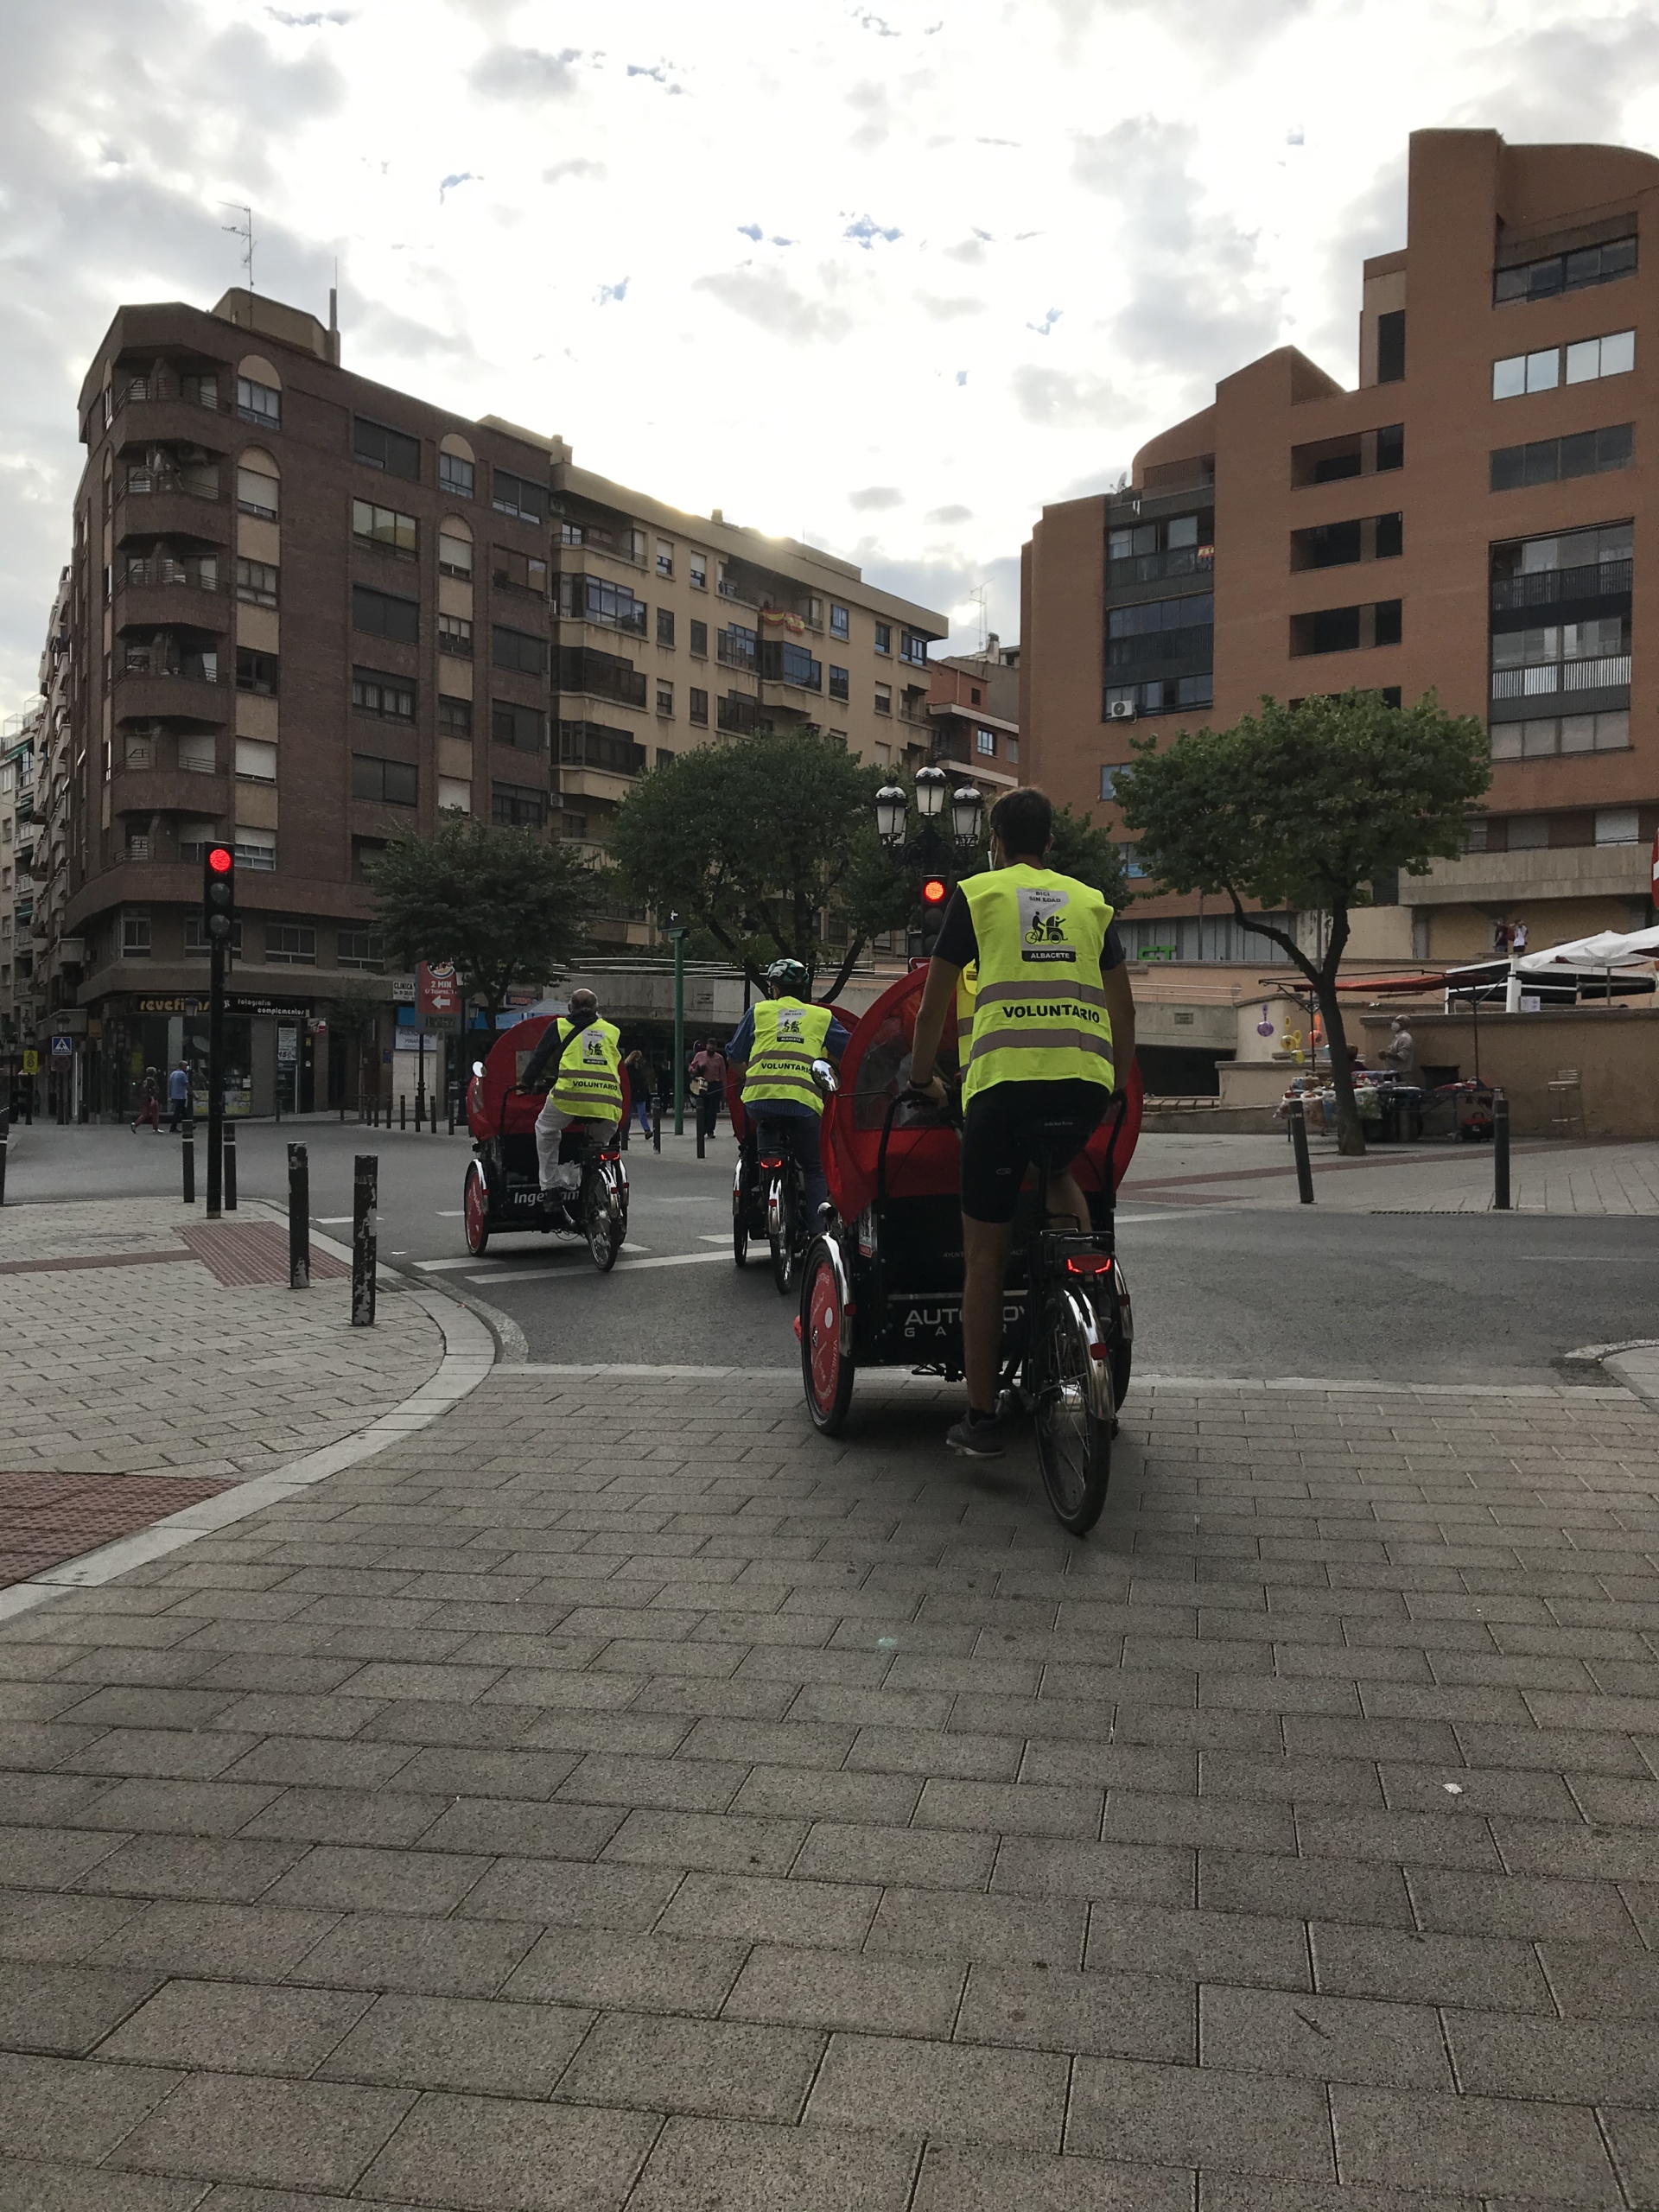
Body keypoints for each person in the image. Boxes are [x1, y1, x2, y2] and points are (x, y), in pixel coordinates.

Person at [907, 785, 1137, 1459]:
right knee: (1058, 1169)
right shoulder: (1090, 902)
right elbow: (1124, 1011)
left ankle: (981, 1418)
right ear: (1052, 843)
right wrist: (1115, 1084)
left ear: (996, 842)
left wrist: (922, 1080)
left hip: (1003, 1089)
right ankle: (1089, 1302)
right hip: (1083, 1085)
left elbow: (932, 1008)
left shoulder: (978, 894)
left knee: (984, 1257)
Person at [727, 959, 849, 1223]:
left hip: (759, 1101)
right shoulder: (821, 1017)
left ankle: (766, 1183)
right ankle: (817, 1232)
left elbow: (734, 1056)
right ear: (803, 989)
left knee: (765, 1129)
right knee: (814, 1169)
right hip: (804, 1103)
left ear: (774, 989)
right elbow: (851, 1050)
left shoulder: (758, 1012)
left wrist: (750, 1076)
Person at [518, 988, 623, 1193]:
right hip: (608, 1100)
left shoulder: (559, 1026)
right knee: (599, 1145)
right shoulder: (612, 1030)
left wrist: (525, 1085)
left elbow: (539, 1058)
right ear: (597, 1009)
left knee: (545, 1129)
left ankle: (550, 1188)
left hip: (569, 1096)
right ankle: (597, 1185)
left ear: (569, 1008)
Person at [690, 1037, 727, 1142]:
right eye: (709, 1047)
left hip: (715, 1084)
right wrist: (695, 1070)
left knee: (712, 1109)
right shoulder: (699, 1055)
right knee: (702, 1108)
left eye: (713, 1048)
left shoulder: (719, 1058)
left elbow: (723, 1074)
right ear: (706, 1046)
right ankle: (701, 1129)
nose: (711, 1049)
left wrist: (724, 1090)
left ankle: (710, 1130)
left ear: (715, 1048)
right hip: (702, 1084)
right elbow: (691, 1067)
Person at [622, 1048, 655, 1138]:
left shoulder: (641, 1068)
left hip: (639, 1095)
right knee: (628, 1116)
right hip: (632, 1095)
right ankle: (625, 1133)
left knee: (641, 1114)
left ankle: (647, 1130)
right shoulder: (629, 1069)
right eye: (638, 1057)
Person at [1378, 1016, 1417, 1083]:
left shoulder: (1405, 1038)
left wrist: (1387, 1054)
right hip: (1393, 1074)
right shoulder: (1398, 1037)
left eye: (1398, 1021)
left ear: (1404, 1024)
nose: (1394, 1023)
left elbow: (1402, 1057)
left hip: (1402, 1075)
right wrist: (1385, 1056)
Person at [130, 1066, 162, 1135]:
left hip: (144, 1099)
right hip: (151, 1099)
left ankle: (136, 1124)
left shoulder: (145, 1081)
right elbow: (152, 1090)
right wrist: (153, 1099)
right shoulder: (152, 1081)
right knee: (155, 1113)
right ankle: (155, 1128)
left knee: (145, 1114)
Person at [166, 1063, 190, 1133]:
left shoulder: (173, 1073)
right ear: (182, 1066)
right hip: (181, 1096)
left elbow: (170, 1085)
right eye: (186, 1066)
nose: (187, 1067)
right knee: (177, 1112)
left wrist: (170, 1095)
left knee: (183, 1111)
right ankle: (173, 1127)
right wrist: (193, 1094)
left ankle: (188, 1125)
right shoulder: (182, 1074)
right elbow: (187, 1085)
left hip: (175, 1096)